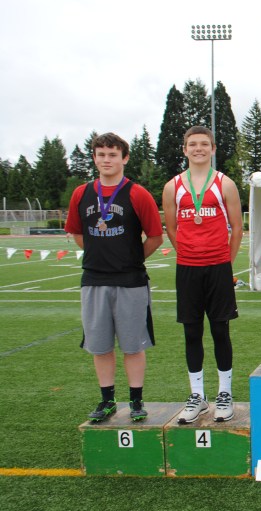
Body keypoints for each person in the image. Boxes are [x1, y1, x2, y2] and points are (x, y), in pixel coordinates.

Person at [65, 133, 163, 422]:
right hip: (94, 280)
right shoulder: (81, 194)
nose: (107, 160)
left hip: (131, 281)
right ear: (94, 158)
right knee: (100, 345)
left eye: (112, 154)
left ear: (124, 158)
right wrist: (101, 255)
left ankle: (135, 401)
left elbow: (156, 237)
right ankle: (107, 400)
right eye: (101, 154)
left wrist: (130, 259)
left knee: (133, 345)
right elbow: (78, 233)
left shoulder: (137, 193)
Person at [162, 126, 243, 424]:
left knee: (221, 330)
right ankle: (197, 395)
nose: (198, 149)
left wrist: (225, 262)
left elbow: (237, 227)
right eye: (192, 144)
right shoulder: (172, 187)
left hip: (218, 267)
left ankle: (225, 393)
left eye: (204, 144)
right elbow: (171, 228)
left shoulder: (225, 184)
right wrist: (187, 252)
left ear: (213, 148)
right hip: (188, 269)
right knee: (191, 332)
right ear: (184, 149)